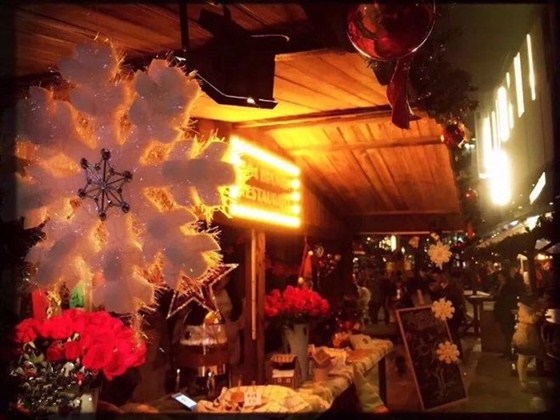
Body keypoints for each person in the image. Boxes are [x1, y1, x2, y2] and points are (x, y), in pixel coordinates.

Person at [430, 270, 466, 358]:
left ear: (443, 276)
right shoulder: (441, 288)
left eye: (437, 277)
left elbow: (455, 301)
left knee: (453, 334)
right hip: (447, 315)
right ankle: (455, 354)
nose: (436, 279)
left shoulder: (452, 288)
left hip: (454, 315)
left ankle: (458, 355)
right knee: (451, 335)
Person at [512, 294, 545, 391]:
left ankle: (523, 380)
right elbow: (531, 320)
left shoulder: (527, 308)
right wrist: (539, 313)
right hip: (524, 336)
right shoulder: (524, 309)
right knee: (523, 359)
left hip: (528, 335)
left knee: (525, 358)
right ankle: (523, 382)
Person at [492, 270, 519, 358]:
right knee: (505, 332)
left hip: (506, 311)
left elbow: (510, 298)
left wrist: (513, 308)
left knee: (509, 332)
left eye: (500, 276)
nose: (499, 278)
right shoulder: (500, 285)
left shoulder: (509, 286)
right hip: (501, 310)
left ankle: (512, 352)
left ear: (505, 277)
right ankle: (507, 351)